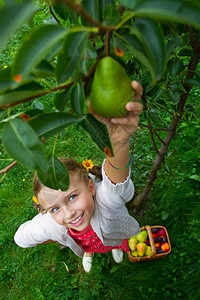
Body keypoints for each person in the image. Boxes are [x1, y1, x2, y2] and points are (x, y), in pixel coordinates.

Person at [14, 81, 143, 273]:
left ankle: (115, 246)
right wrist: (54, 234)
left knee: (115, 239)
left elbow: (116, 183)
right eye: (55, 208)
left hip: (115, 233)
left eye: (72, 197)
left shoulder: (106, 201)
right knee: (89, 246)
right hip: (88, 243)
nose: (68, 214)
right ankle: (89, 252)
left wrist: (118, 143)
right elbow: (21, 238)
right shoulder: (50, 224)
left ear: (91, 187)